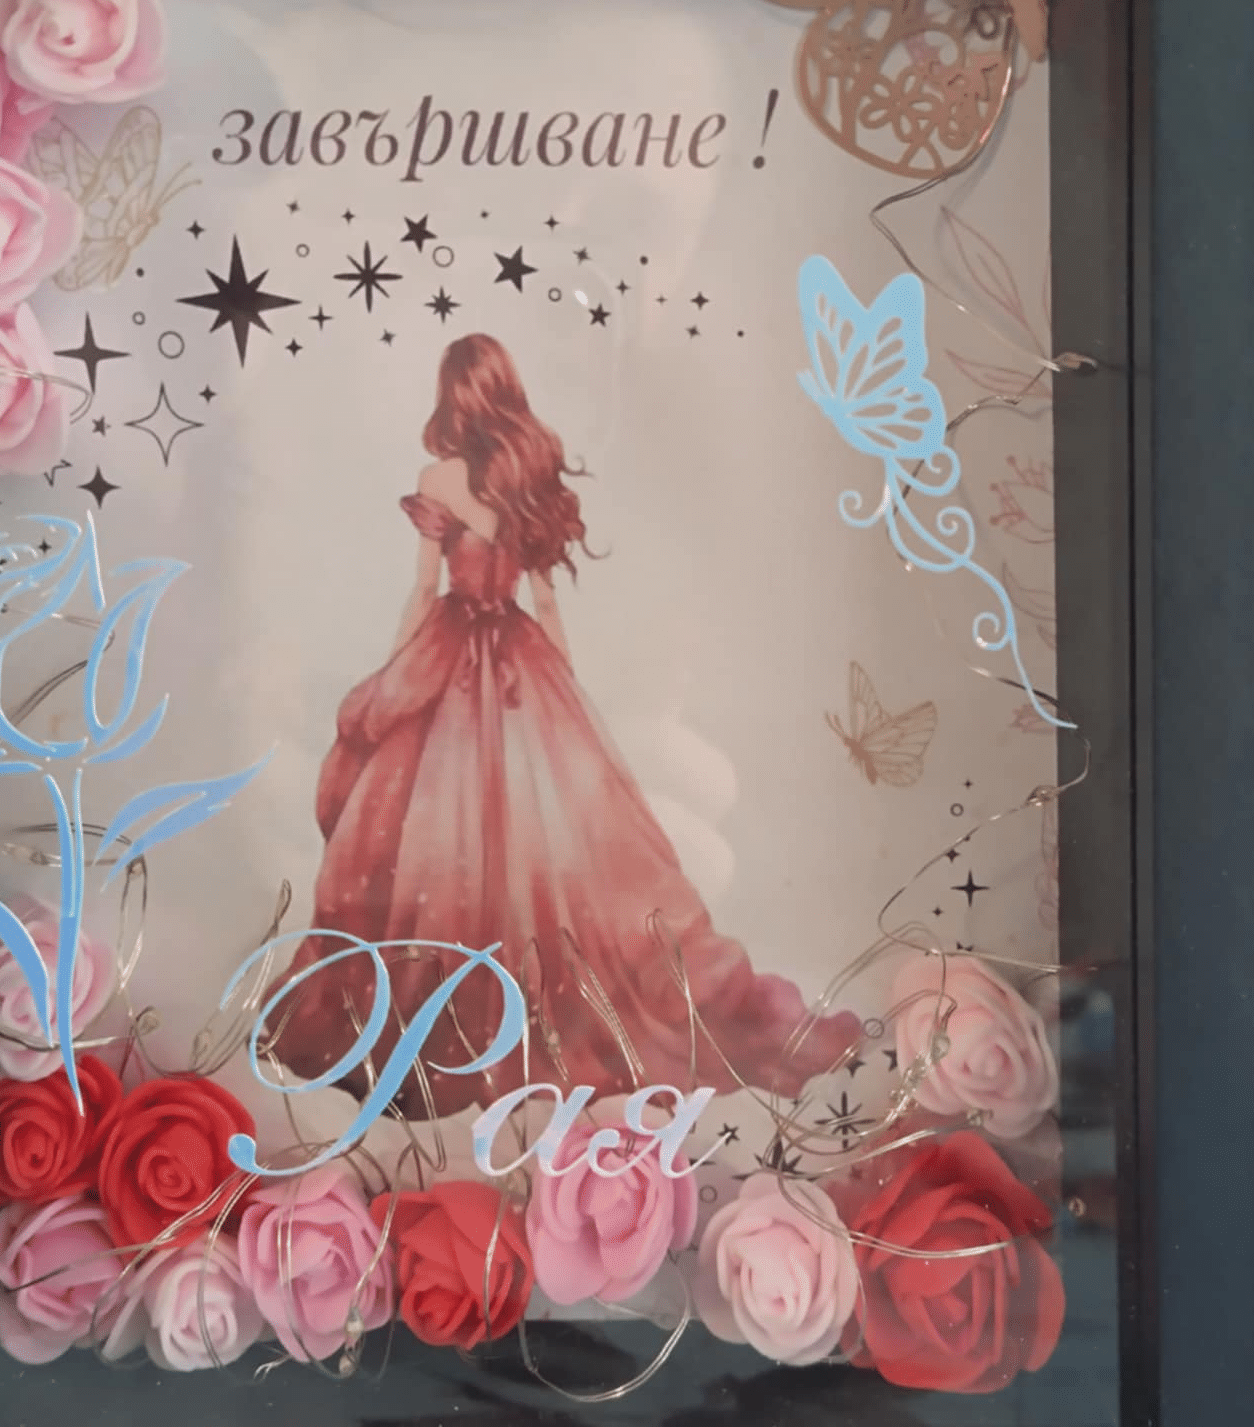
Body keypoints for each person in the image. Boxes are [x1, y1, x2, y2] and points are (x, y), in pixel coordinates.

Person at [273, 332, 858, 1115]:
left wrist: (394, 674)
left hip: (449, 655)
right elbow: (545, 602)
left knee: (433, 832)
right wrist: (566, 699)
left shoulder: (439, 478)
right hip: (524, 660)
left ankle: (433, 1018)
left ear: (454, 395)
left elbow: (422, 592)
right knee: (536, 834)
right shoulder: (530, 478)